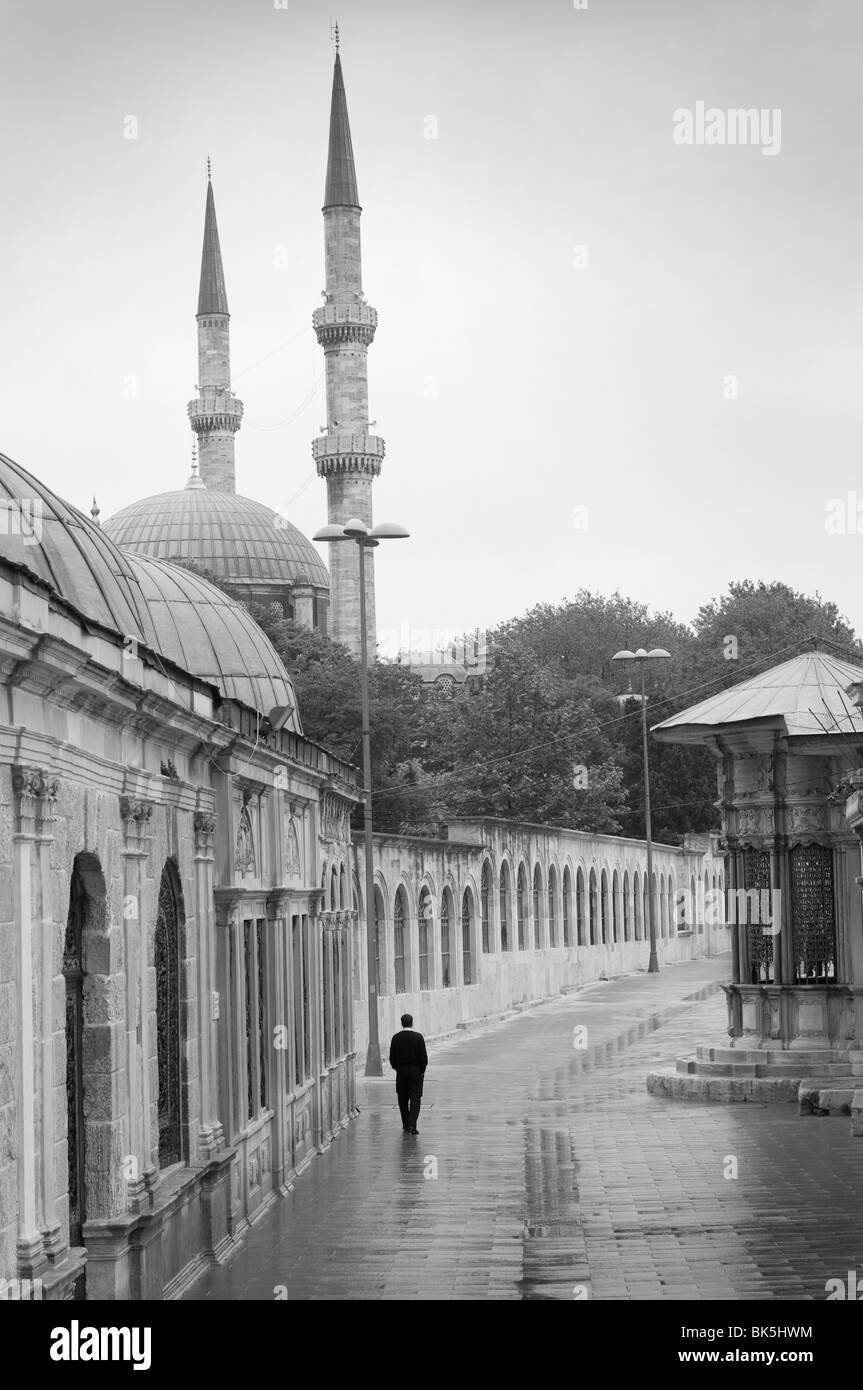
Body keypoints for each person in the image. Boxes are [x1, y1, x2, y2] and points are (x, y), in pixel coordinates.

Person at [388, 1013, 428, 1135]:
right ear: (412, 1022)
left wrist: (397, 1068)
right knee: (415, 1099)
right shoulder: (418, 1037)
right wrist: (421, 1071)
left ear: (402, 1023)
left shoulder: (396, 1038)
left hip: (401, 1073)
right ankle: (412, 1125)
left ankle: (405, 1124)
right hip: (416, 1073)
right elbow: (424, 1059)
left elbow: (392, 1058)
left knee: (402, 1099)